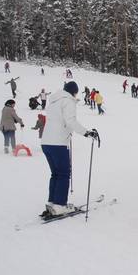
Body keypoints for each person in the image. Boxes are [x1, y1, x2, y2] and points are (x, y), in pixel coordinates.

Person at [40, 81, 98, 216]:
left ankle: (52, 202)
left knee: (56, 173)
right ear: (74, 91)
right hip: (58, 143)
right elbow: (70, 121)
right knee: (64, 173)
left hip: (46, 142)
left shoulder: (54, 102)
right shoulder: (68, 101)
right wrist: (86, 132)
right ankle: (60, 205)